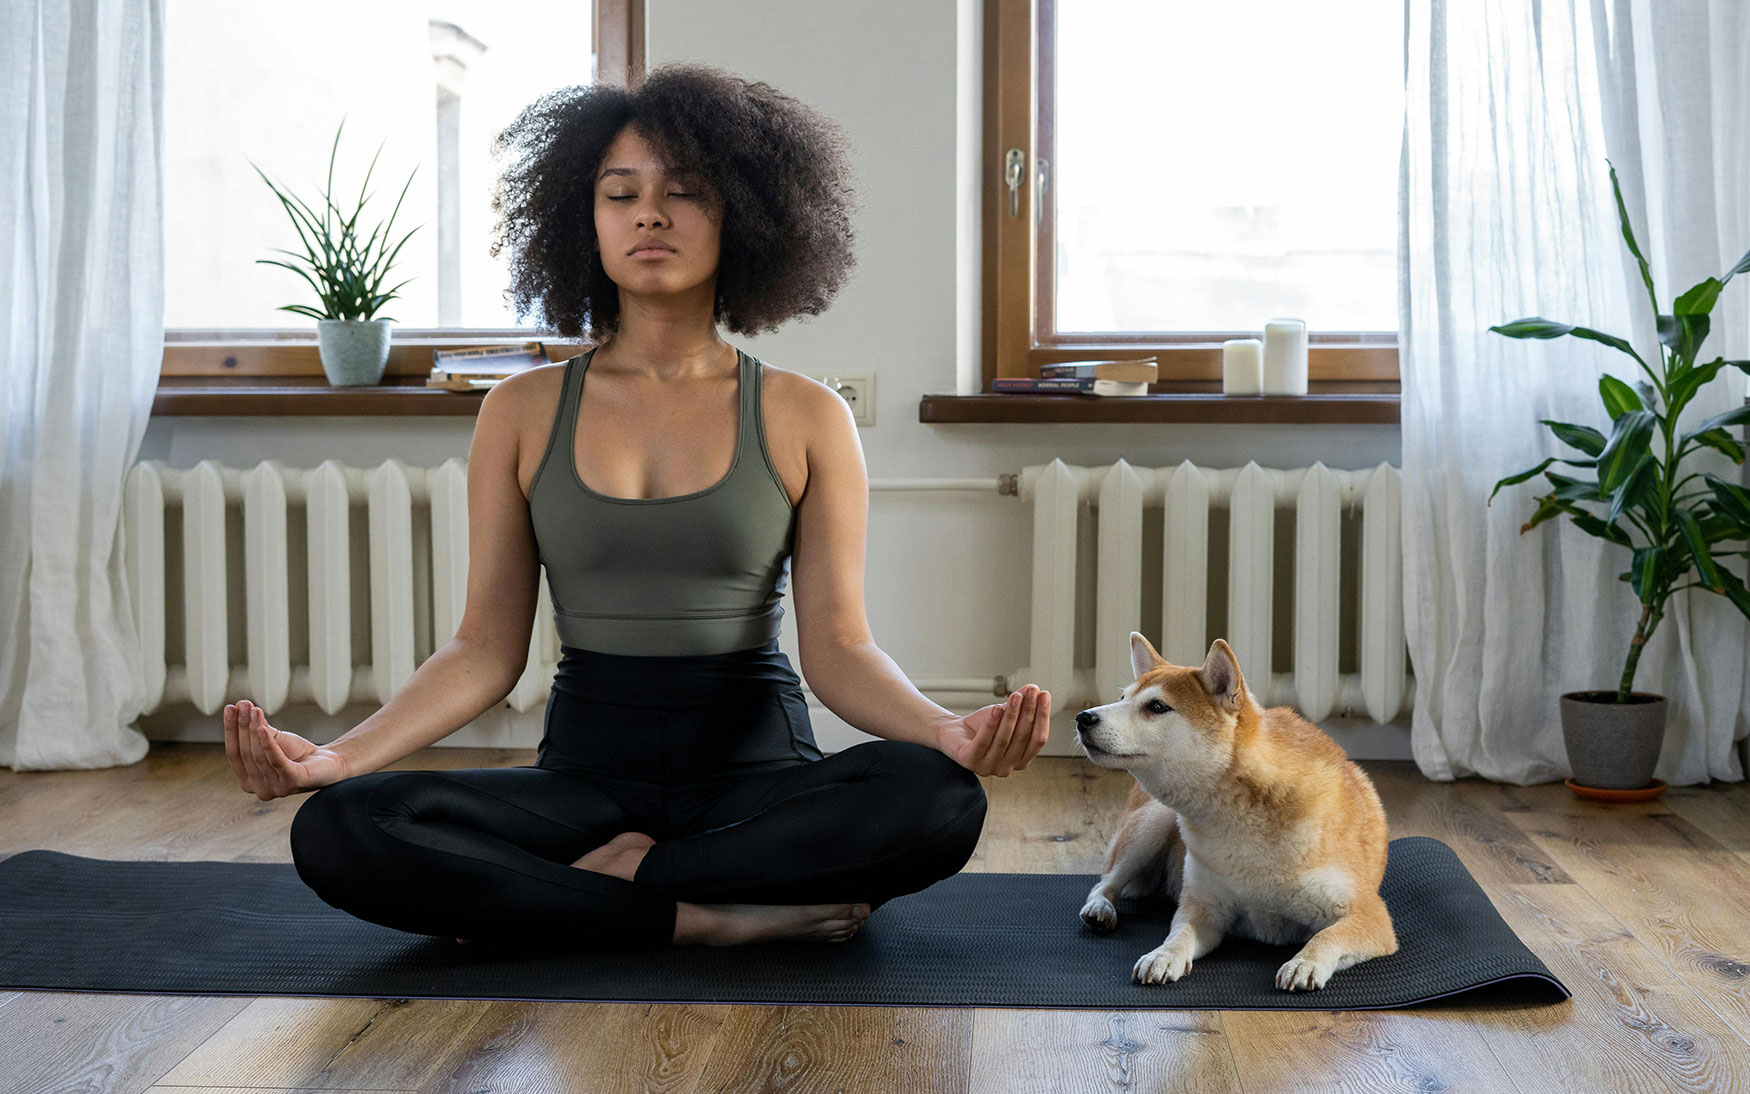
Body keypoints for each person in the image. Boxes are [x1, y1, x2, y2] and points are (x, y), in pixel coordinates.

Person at [221, 63, 1052, 951]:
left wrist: (942, 731)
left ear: (744, 217)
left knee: (937, 802)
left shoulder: (807, 414)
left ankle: (614, 889)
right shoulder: (521, 410)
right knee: (343, 828)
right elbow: (483, 649)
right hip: (586, 782)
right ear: (585, 222)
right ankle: (700, 915)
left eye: (684, 193)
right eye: (621, 194)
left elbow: (841, 649)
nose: (649, 214)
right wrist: (341, 757)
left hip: (755, 775)